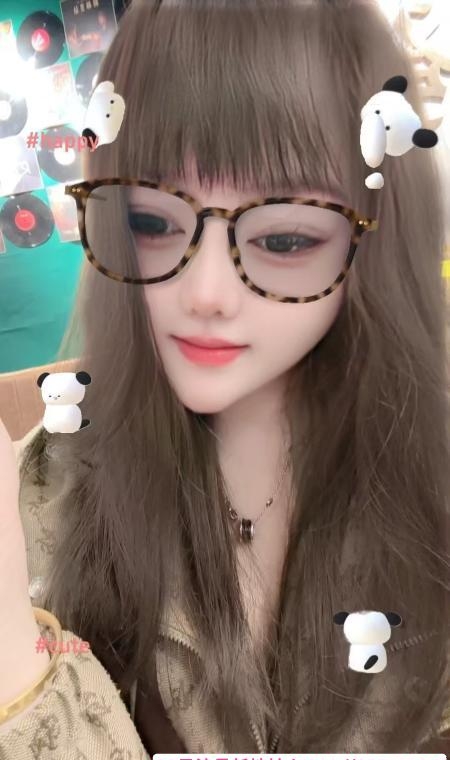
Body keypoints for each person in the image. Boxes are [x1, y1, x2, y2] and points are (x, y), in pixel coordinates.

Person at [0, 0, 449, 755]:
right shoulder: (47, 489)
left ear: (373, 241)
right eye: (152, 223)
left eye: (284, 238)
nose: (204, 292)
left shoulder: (430, 485)